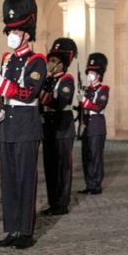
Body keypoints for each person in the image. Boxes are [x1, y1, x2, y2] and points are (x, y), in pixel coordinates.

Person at [0, 0, 47, 249]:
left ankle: (25, 231)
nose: (11, 34)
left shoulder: (37, 61)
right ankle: (11, 229)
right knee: (9, 180)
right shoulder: (7, 60)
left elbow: (29, 92)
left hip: (25, 123)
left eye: (16, 30)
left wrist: (3, 84)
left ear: (27, 34)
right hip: (8, 124)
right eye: (9, 29)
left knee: (25, 178)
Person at [40, 38, 77, 215]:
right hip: (48, 126)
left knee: (63, 167)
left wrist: (45, 95)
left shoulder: (66, 79)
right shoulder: (48, 80)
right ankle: (52, 201)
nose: (51, 63)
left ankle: (62, 203)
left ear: (62, 64)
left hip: (62, 125)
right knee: (50, 166)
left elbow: (62, 101)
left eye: (55, 61)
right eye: (50, 60)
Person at [78, 53, 109, 195]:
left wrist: (84, 101)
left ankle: (96, 184)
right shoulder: (87, 89)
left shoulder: (103, 89)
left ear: (98, 74)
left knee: (96, 156)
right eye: (89, 72)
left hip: (96, 125)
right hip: (87, 126)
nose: (90, 74)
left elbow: (99, 106)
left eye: (92, 72)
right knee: (86, 156)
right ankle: (89, 183)